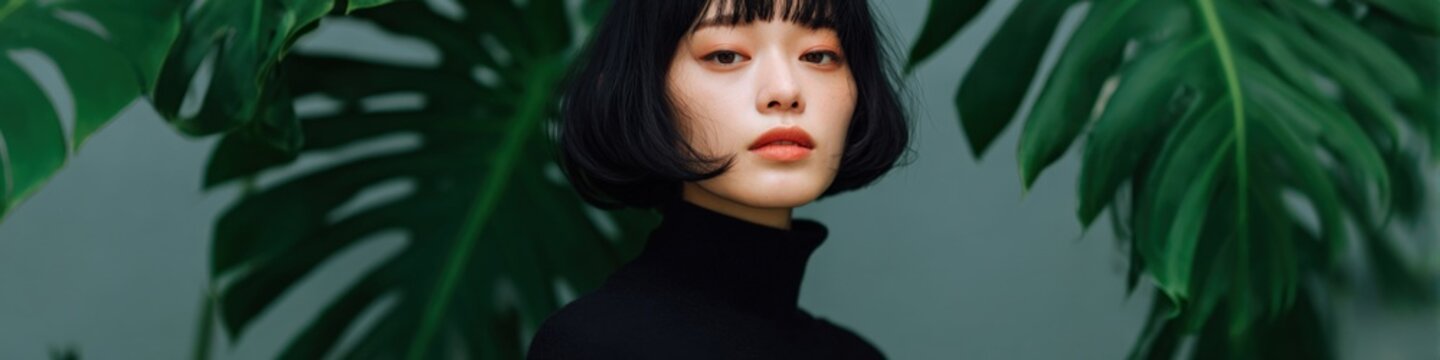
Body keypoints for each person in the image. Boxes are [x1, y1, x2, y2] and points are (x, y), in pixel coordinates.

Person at [529, 0, 910, 358]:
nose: (785, 91)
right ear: (646, 90)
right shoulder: (595, 345)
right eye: (725, 56)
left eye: (818, 55)